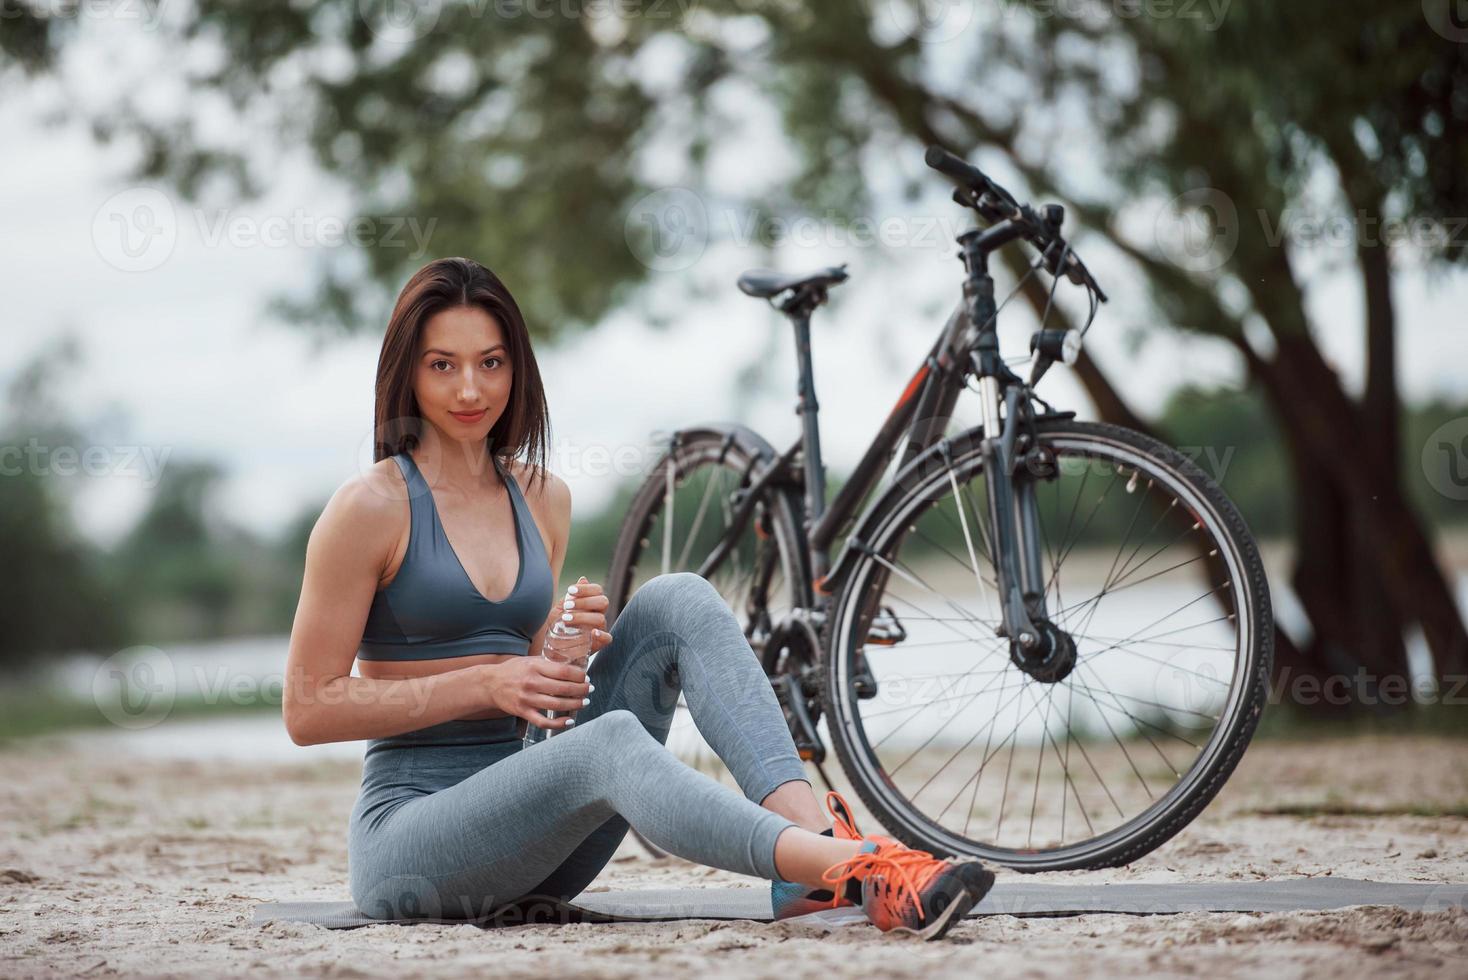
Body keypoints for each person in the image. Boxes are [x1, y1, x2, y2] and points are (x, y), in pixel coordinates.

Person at [281, 256, 995, 941]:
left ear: (516, 368)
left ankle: (807, 850)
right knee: (612, 742)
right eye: (443, 365)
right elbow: (308, 708)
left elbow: (532, 702)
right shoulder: (369, 507)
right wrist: (487, 681)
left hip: (536, 838)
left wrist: (556, 658)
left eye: (491, 363)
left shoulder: (542, 498)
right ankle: (858, 869)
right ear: (407, 374)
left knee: (676, 598)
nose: (470, 390)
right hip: (413, 841)